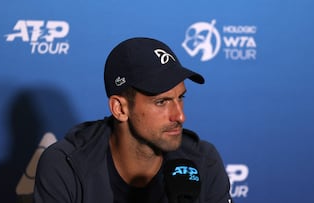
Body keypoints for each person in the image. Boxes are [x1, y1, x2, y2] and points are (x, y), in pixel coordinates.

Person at [34, 37, 232, 203]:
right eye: (161, 102)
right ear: (120, 109)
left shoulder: (202, 161)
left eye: (180, 98)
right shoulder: (66, 165)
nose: (180, 116)